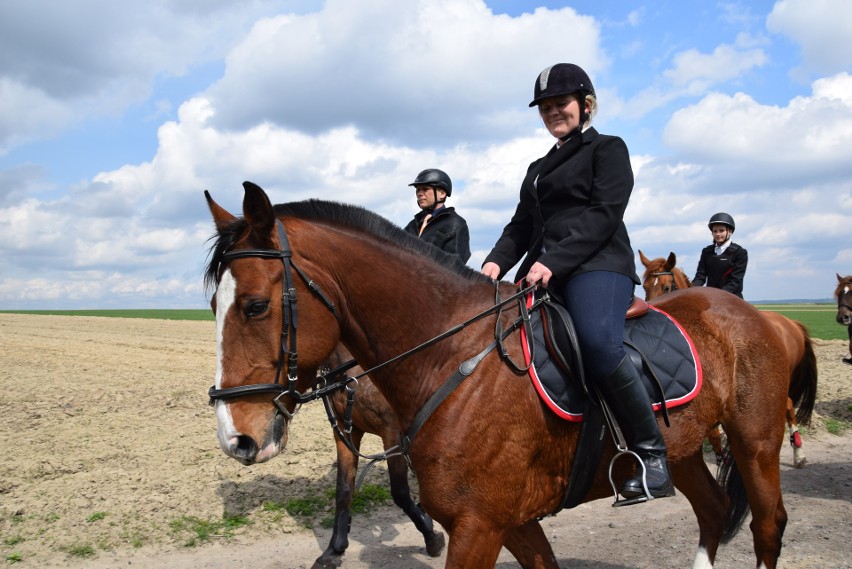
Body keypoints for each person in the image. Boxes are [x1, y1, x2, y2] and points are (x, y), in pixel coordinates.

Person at [481, 63, 673, 501]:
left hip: (597, 265)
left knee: (597, 341)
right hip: (542, 271)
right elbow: (520, 226)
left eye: (560, 104)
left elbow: (604, 214)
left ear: (585, 106)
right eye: (545, 107)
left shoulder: (608, 149)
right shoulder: (536, 167)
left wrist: (554, 260)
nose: (552, 113)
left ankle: (653, 454)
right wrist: (493, 263)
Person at [403, 168, 471, 263]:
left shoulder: (456, 224)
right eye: (418, 190)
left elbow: (454, 267)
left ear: (442, 193)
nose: (419, 194)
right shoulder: (413, 224)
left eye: (425, 189)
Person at [691, 213, 748, 298]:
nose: (718, 234)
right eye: (715, 231)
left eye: (721, 231)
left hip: (732, 297)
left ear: (730, 231)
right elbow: (700, 277)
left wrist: (718, 295)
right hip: (711, 297)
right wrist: (689, 290)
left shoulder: (740, 252)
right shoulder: (706, 252)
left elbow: (735, 282)